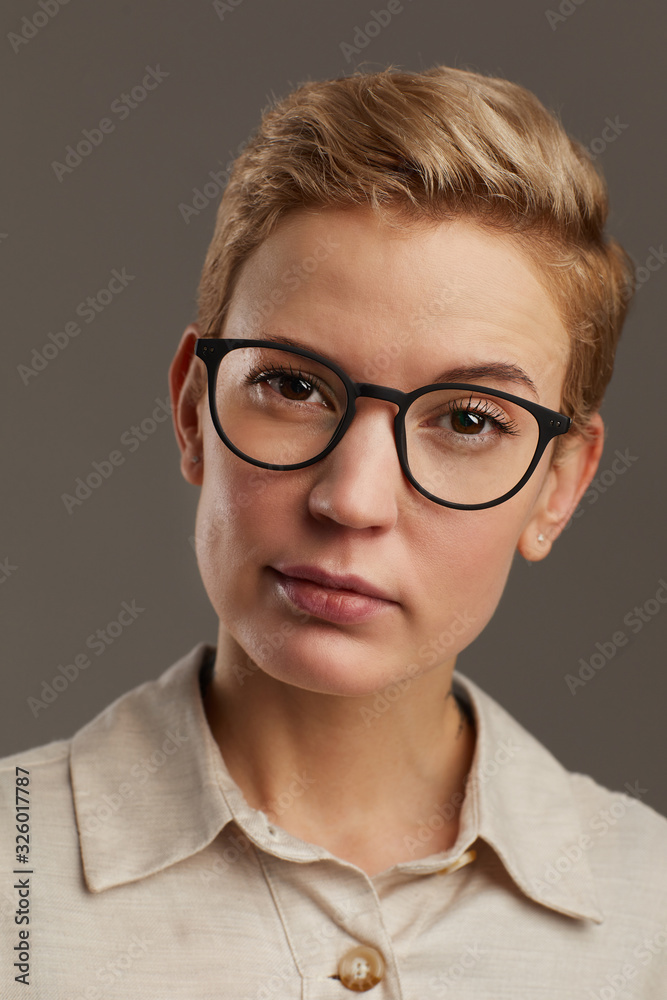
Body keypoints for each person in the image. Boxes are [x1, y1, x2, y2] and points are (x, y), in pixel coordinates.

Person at [1, 64, 665, 998]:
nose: (352, 500)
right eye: (294, 386)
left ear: (557, 486)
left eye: (469, 420)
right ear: (193, 410)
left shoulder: (652, 915)